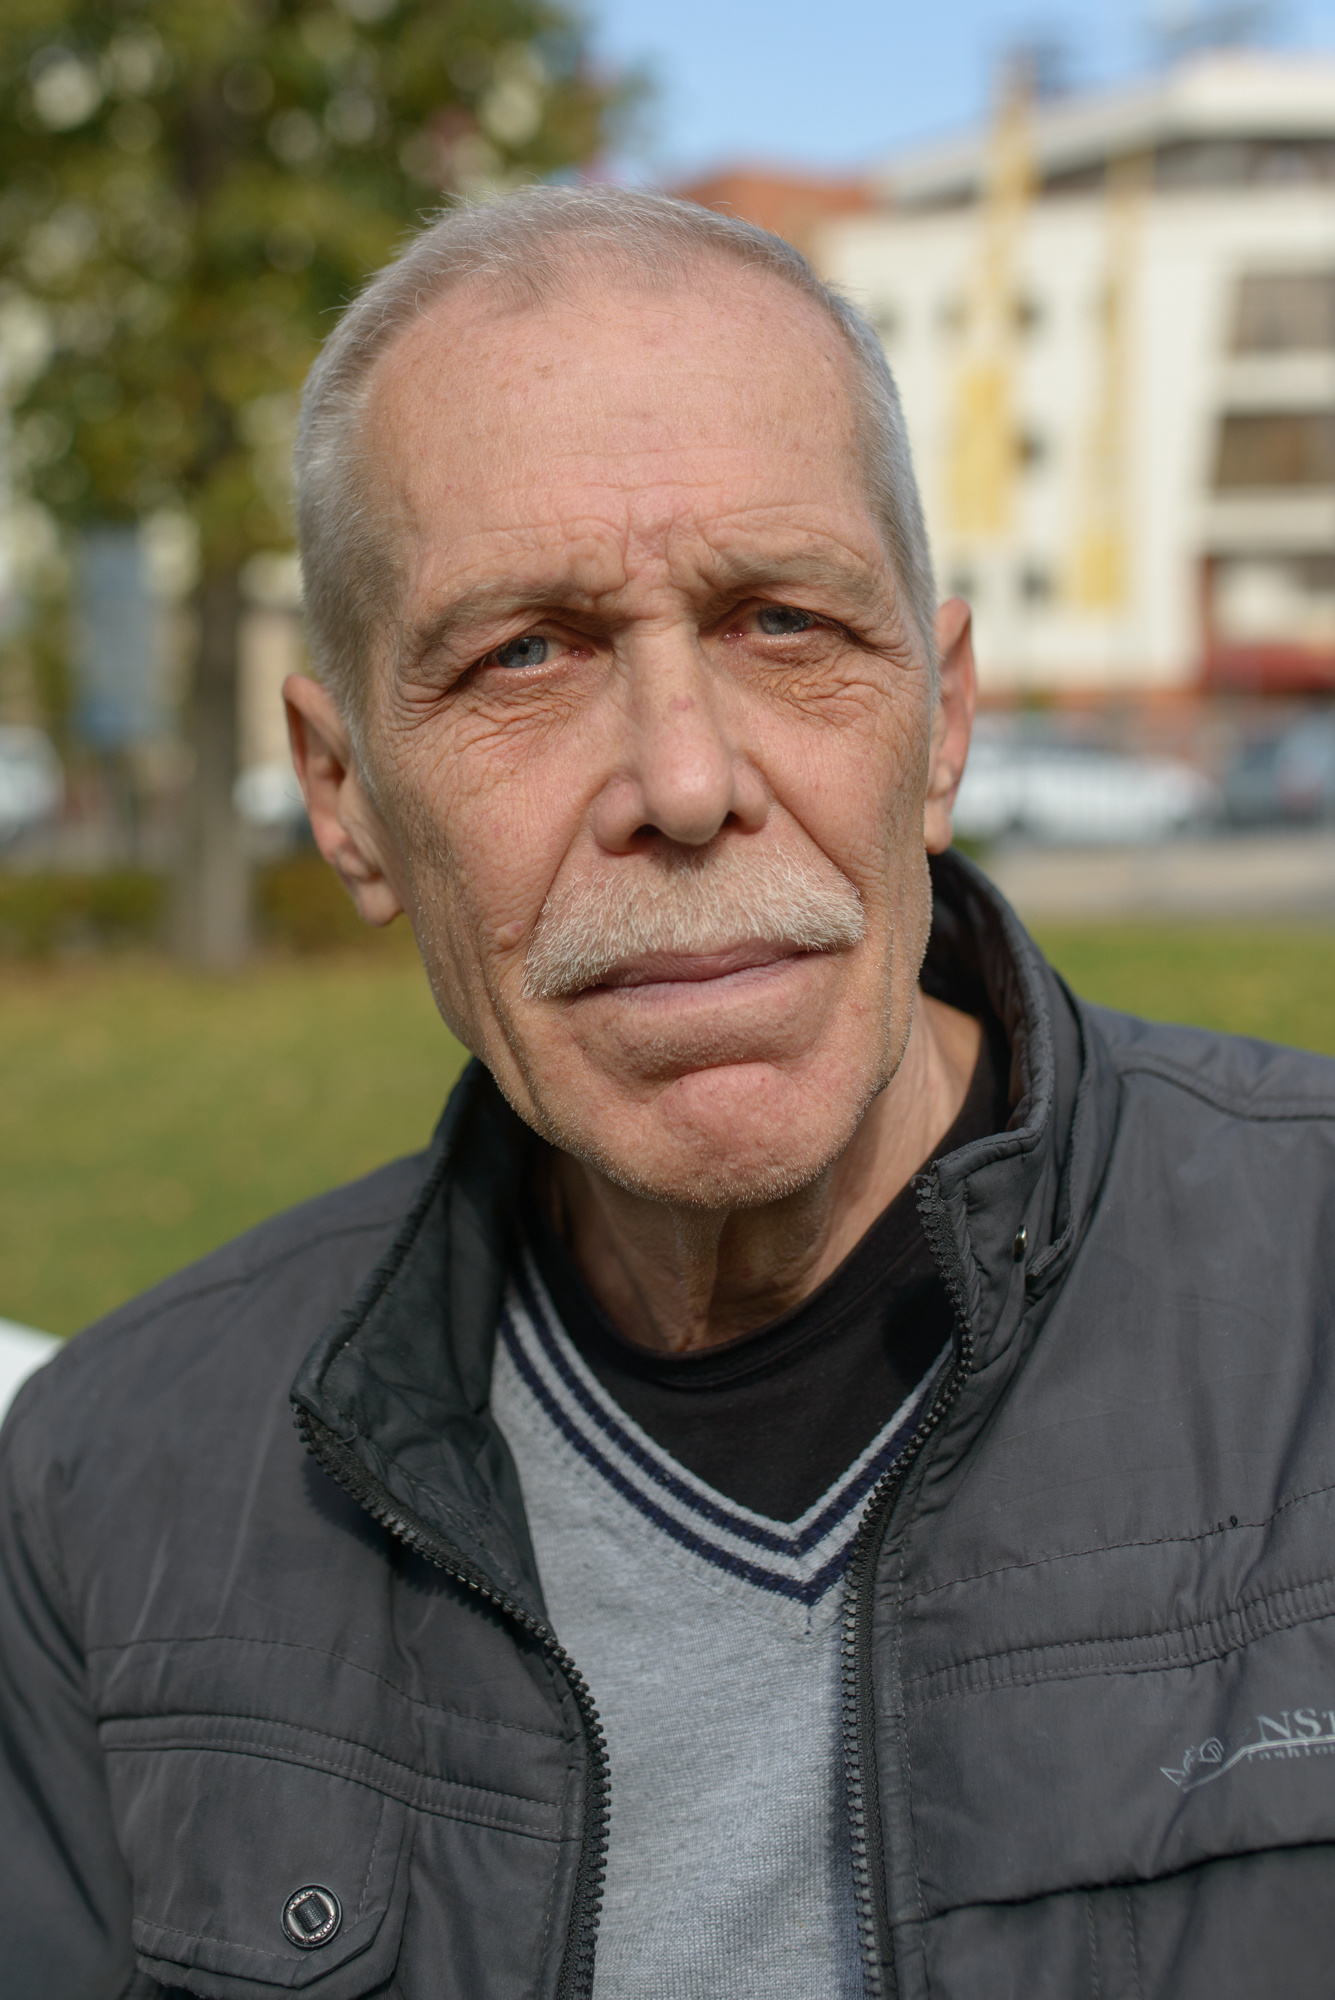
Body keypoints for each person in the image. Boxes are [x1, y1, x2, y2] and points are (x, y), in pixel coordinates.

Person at [3, 188, 1335, 2000]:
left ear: (940, 722)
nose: (687, 781)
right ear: (345, 795)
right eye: (524, 656)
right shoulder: (107, 1491)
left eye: (784, 621)